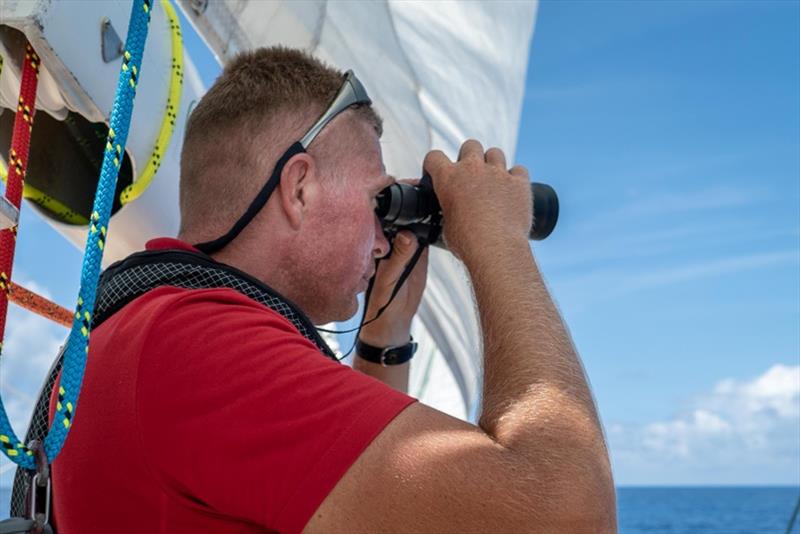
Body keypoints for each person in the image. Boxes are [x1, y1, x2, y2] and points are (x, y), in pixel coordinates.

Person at [49, 47, 615, 532]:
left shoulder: (147, 326)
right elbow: (566, 516)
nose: (381, 239)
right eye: (378, 203)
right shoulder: (201, 347)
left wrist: (384, 335)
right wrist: (497, 238)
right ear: (298, 188)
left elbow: (362, 485)